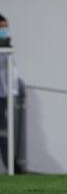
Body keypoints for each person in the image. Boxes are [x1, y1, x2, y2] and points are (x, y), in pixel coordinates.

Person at [0, 13, 26, 174]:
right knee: (3, 131)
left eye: (5, 27)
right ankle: (12, 166)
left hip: (5, 95)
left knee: (6, 132)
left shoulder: (7, 45)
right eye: (1, 27)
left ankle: (13, 165)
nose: (4, 30)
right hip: (2, 94)